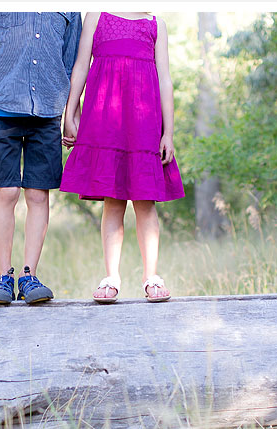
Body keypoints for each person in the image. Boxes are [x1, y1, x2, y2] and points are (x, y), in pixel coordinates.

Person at [0, 12, 82, 304]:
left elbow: (72, 66)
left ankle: (29, 275)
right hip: (3, 109)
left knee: (37, 195)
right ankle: (3, 276)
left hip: (47, 113)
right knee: (6, 192)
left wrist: (72, 115)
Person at [60, 12, 184, 303]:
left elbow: (165, 80)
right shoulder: (96, 18)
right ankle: (111, 277)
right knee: (112, 201)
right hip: (105, 121)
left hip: (143, 122)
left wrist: (169, 133)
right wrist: (70, 114)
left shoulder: (156, 25)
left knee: (145, 202)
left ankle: (151, 276)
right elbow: (80, 68)